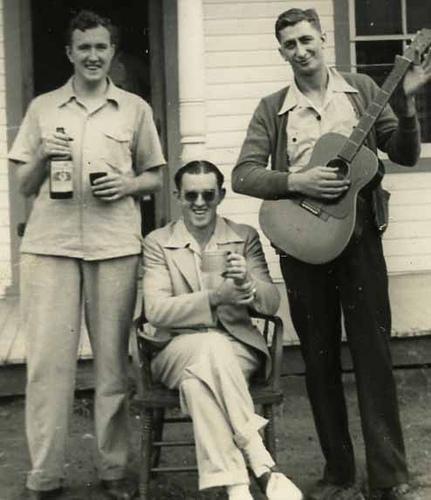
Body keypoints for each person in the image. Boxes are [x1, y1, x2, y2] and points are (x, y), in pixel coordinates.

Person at [232, 8, 431, 500]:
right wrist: (296, 181)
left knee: (374, 355)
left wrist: (407, 106)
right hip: (302, 240)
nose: (301, 51)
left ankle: (389, 476)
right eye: (290, 44)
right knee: (319, 360)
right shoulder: (273, 108)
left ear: (323, 38)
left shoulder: (362, 91)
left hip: (360, 239)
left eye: (307, 40)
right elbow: (244, 174)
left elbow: (404, 154)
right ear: (281, 52)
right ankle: (338, 473)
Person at [8, 10, 165, 500]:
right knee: (48, 368)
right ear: (69, 53)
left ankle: (114, 470)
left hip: (113, 246)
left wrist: (127, 184)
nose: (93, 56)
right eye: (84, 48)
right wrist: (42, 154)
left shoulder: (135, 109)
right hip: (49, 248)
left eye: (101, 47)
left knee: (113, 366)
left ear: (112, 52)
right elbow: (23, 184)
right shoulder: (43, 108)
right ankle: (45, 476)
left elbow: (155, 176)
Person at [142, 160, 303, 500]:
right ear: (178, 196)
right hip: (175, 349)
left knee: (197, 383)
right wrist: (215, 298)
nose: (200, 203)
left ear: (221, 196)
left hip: (237, 347)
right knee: (210, 346)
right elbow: (156, 311)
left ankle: (237, 486)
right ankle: (260, 461)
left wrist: (249, 284)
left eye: (208, 195)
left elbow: (271, 303)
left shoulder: (243, 237)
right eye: (191, 196)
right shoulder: (158, 242)